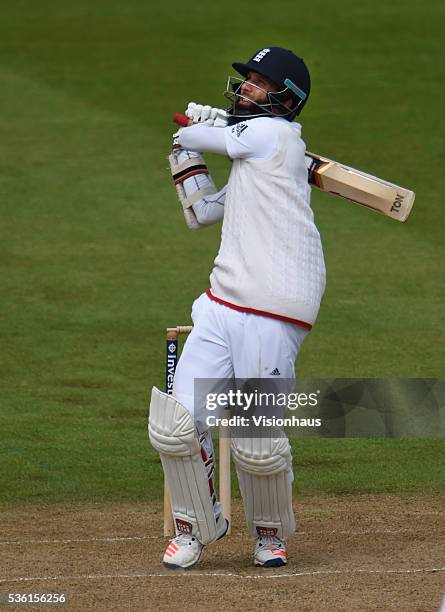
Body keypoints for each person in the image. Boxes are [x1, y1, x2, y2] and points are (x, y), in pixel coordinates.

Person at [148, 47, 326, 569]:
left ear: (286, 98)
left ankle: (269, 535)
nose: (247, 87)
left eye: (258, 83)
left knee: (256, 439)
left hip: (274, 307)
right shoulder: (257, 158)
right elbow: (204, 212)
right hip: (222, 301)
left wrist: (205, 128)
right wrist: (186, 158)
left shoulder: (275, 137)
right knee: (176, 424)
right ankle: (196, 526)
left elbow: (200, 134)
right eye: (246, 80)